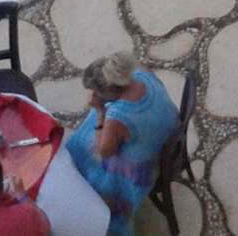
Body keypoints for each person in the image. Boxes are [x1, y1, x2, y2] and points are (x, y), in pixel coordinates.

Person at [65, 53, 180, 236]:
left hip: (146, 163)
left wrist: (100, 111)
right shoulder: (140, 73)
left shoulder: (118, 116)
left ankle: (100, 211)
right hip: (164, 131)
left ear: (107, 91)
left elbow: (104, 152)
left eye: (96, 92)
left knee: (82, 152)